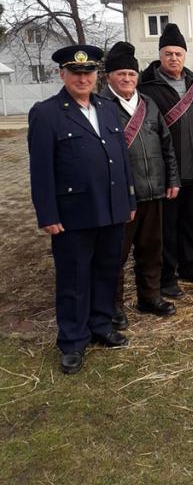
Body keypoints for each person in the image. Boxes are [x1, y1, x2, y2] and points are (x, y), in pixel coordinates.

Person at [27, 44, 136, 374]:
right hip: (73, 214)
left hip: (112, 208)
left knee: (106, 270)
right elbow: (41, 169)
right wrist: (48, 214)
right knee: (74, 277)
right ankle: (73, 340)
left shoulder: (106, 108)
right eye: (75, 73)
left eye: (88, 72)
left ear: (96, 75)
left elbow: (121, 159)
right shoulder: (47, 113)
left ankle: (101, 326)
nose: (82, 78)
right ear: (63, 75)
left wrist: (129, 200)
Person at [101, 41, 181, 328]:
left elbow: (166, 144)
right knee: (116, 255)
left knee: (151, 249)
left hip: (154, 190)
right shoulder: (101, 107)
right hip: (122, 196)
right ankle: (113, 307)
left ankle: (150, 297)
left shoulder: (148, 105)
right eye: (121, 73)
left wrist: (172, 179)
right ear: (109, 76)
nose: (127, 79)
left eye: (131, 74)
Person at [139, 23, 193, 298]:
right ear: (160, 55)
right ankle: (167, 276)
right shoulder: (146, 86)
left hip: (192, 165)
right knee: (167, 226)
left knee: (191, 220)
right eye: (168, 53)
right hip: (165, 168)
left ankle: (191, 266)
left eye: (178, 53)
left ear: (184, 55)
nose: (174, 58)